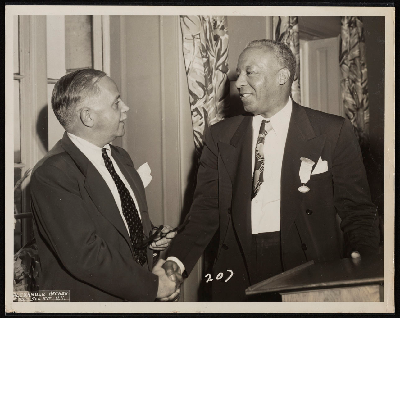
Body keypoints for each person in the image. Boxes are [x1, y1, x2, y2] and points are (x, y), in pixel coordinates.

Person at [163, 39, 380, 301]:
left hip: (308, 267)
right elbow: (205, 209)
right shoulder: (220, 136)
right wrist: (176, 260)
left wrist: (364, 258)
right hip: (238, 265)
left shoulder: (332, 132)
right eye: (238, 73)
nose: (239, 82)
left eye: (249, 72)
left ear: (282, 77)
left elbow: (357, 209)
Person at [31, 69, 181, 302]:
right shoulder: (52, 174)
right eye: (116, 103)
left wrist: (151, 238)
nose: (126, 108)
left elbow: (121, 226)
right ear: (88, 117)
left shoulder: (120, 157)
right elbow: (85, 256)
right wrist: (153, 286)